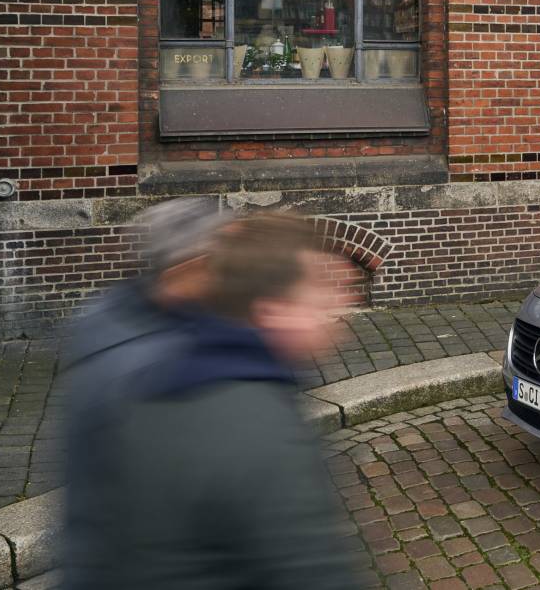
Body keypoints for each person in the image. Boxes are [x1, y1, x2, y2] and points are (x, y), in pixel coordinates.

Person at [60, 211, 368, 590]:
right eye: (317, 295)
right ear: (272, 311)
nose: (337, 308)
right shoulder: (261, 428)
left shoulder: (153, 377)